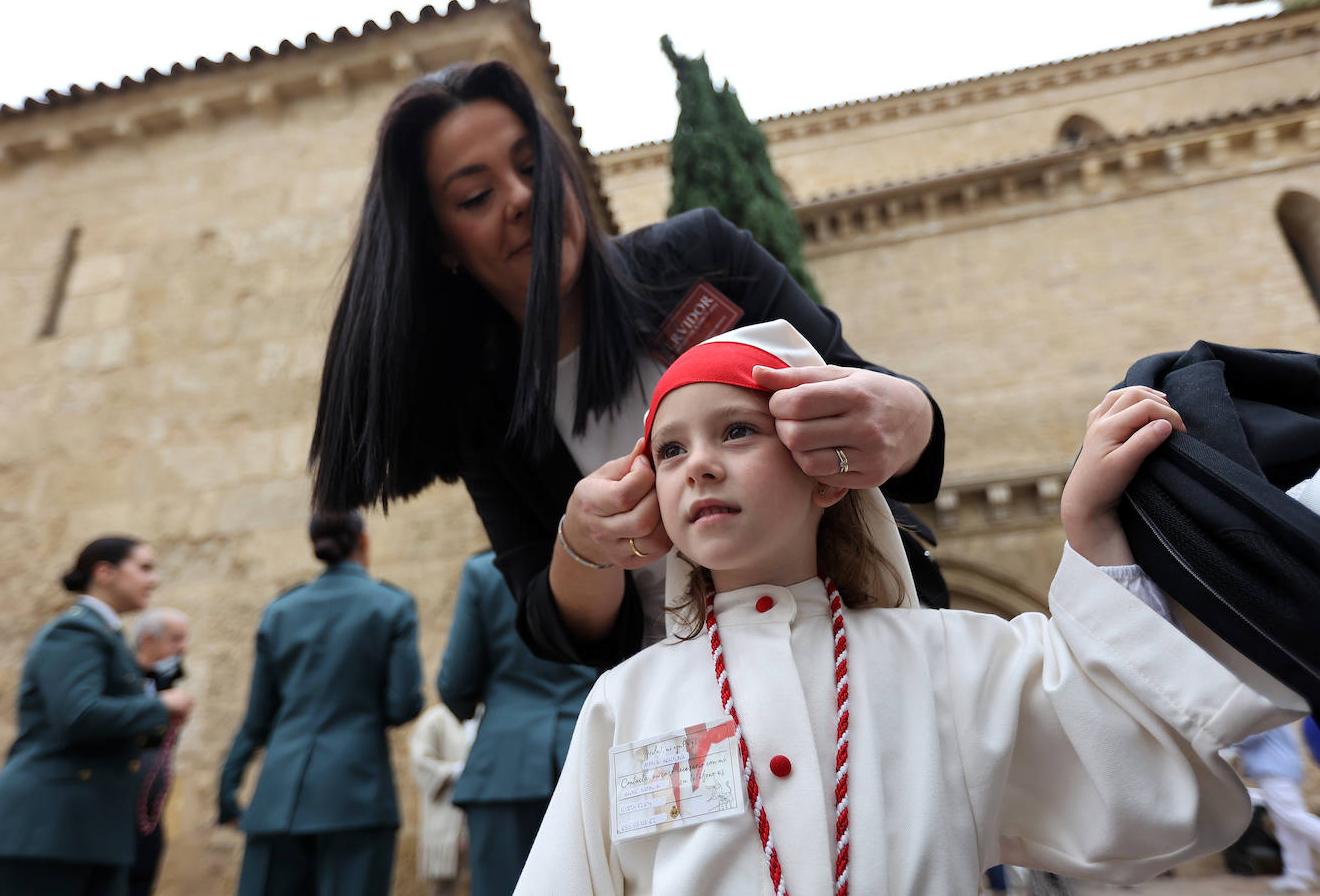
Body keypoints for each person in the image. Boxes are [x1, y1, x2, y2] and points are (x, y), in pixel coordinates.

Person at [514, 320, 1304, 895]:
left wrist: (1092, 530)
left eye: (736, 431)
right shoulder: (626, 699)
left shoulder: (956, 658)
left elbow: (1138, 778)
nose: (700, 467)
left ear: (825, 473)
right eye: (671, 450)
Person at [309, 59, 945, 670]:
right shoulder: (482, 405)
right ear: (441, 241)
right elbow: (557, 628)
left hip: (864, 639)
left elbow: (867, 399)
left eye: (533, 166)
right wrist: (583, 546)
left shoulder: (701, 257)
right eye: (476, 196)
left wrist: (908, 416)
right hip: (696, 714)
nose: (521, 197)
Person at [0, 537, 193, 896]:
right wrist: (160, 707)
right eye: (144, 568)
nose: (153, 580)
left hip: (86, 838)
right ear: (104, 572)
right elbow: (78, 715)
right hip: (43, 836)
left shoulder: (105, 636)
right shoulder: (76, 631)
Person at [217, 511, 424, 896]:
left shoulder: (281, 610)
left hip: (277, 797)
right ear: (363, 540)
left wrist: (228, 787)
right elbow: (402, 705)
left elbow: (257, 717)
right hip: (354, 794)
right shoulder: (390, 604)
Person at [437, 551, 599, 895]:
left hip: (504, 763)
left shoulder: (484, 571)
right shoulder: (604, 560)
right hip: (589, 751)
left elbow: (455, 684)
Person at [127, 607, 190, 896]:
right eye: (175, 639)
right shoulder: (123, 678)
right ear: (149, 640)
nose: (182, 648)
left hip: (149, 810)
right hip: (121, 808)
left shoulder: (163, 679)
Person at [1237, 725, 1320, 892]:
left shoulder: (1262, 707)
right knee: (1285, 825)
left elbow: (1249, 734)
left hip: (1275, 768)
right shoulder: (1271, 704)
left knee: (1291, 817)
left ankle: (1300, 875)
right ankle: (1299, 875)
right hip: (1277, 767)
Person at [408, 703, 473, 896]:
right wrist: (455, 771)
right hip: (445, 821)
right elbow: (421, 762)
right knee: (444, 888)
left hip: (480, 821)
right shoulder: (435, 720)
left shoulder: (488, 715)